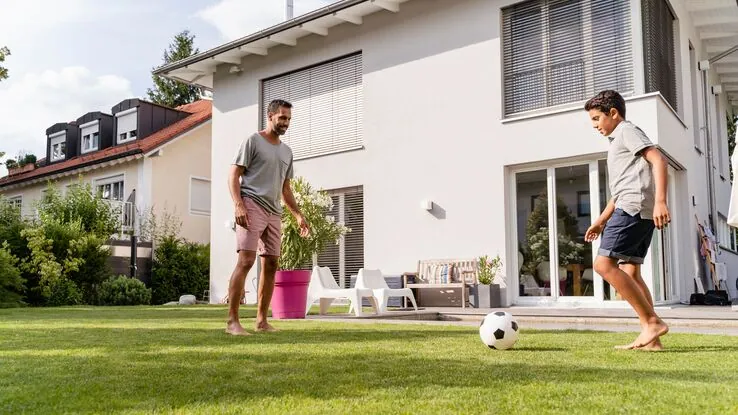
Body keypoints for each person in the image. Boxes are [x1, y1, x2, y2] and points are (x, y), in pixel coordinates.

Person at [583, 90, 670, 350]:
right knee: (631, 271)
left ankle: (651, 322)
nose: (595, 126)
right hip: (634, 207)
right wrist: (601, 220)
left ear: (613, 113)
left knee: (602, 264)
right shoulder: (617, 141)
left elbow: (659, 159)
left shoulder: (626, 131)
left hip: (633, 208)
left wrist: (661, 201)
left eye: (597, 119)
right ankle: (652, 340)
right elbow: (619, 191)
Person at [226, 99, 310, 336]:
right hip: (251, 205)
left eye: (289, 119)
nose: (286, 123)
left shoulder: (287, 152)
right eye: (282, 117)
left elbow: (286, 188)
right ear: (270, 116)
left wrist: (297, 215)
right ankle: (232, 322)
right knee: (246, 261)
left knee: (272, 263)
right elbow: (233, 174)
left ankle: (261, 321)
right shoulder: (253, 141)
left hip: (274, 211)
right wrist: (238, 205)